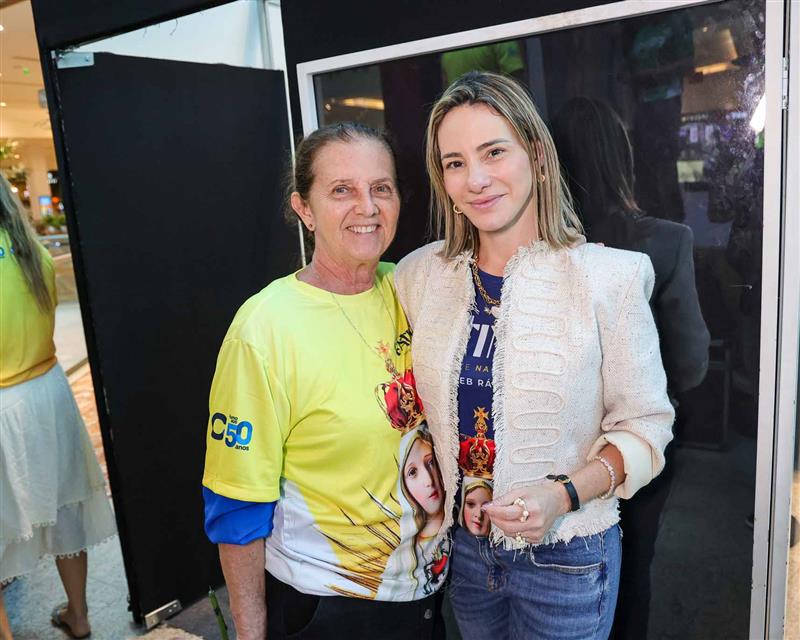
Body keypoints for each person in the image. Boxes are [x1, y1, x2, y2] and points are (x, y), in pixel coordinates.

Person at [394, 71, 675, 640]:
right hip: (466, 555)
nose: (476, 179)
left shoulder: (608, 279)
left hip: (568, 556)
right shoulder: (419, 277)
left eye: (494, 152)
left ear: (538, 156)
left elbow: (646, 429)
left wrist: (563, 493)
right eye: (454, 162)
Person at [201, 122, 448, 640]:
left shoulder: (412, 288)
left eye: (381, 187)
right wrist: (251, 633)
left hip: (431, 591)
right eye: (341, 190)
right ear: (304, 209)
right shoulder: (265, 328)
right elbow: (237, 504)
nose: (367, 207)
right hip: (328, 607)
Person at [551, 96, 710, 640]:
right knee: (633, 571)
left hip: (554, 451)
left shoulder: (535, 248)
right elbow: (691, 362)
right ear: (623, 158)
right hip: (635, 450)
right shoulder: (666, 241)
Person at [0, 174, 117, 640]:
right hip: (48, 393)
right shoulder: (31, 250)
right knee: (66, 508)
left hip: (3, 402)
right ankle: (79, 614)